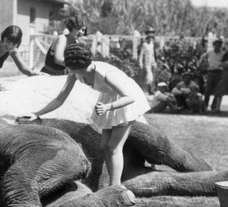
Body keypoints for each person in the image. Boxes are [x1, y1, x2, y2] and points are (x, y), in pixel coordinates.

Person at [24, 42, 150, 187]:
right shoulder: (75, 73)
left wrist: (108, 107)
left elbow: (129, 97)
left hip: (124, 101)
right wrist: (37, 113)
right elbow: (60, 98)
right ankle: (113, 183)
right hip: (109, 99)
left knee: (114, 146)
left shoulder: (105, 74)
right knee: (105, 145)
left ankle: (116, 187)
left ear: (75, 65)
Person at [198, 38, 225, 112]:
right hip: (211, 72)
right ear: (214, 45)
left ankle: (214, 107)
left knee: (217, 90)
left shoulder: (223, 54)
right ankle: (205, 106)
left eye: (219, 45)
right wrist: (202, 63)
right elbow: (202, 57)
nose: (218, 46)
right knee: (207, 90)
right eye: (216, 45)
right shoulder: (210, 52)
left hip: (219, 72)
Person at [138, 28, 157, 94]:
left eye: (152, 37)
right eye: (149, 37)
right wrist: (140, 63)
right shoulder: (144, 44)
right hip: (146, 63)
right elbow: (141, 55)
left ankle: (149, 90)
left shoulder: (152, 44)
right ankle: (145, 90)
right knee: (149, 76)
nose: (150, 39)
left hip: (152, 63)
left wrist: (154, 63)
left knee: (152, 77)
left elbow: (153, 54)